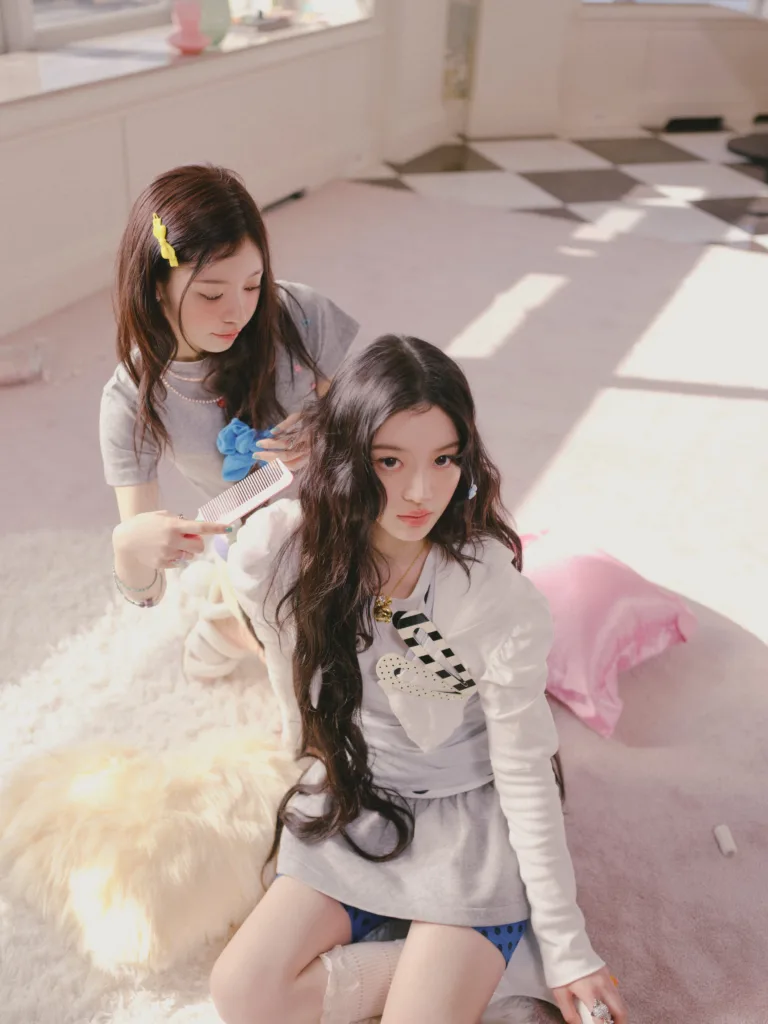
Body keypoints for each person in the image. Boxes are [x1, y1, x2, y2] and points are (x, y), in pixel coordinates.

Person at [212, 336, 629, 1024]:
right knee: (243, 993)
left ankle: (489, 954)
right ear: (349, 458)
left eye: (443, 459)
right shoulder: (298, 555)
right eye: (390, 461)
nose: (420, 492)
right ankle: (465, 966)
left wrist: (566, 946)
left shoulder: (494, 594)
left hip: (467, 824)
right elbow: (269, 625)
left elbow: (525, 770)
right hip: (360, 801)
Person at [99, 164, 359, 675]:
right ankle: (226, 627)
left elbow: (371, 427)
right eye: (212, 294)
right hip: (259, 551)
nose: (238, 312)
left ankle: (233, 618)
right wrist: (128, 544)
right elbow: (146, 593)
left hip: (339, 516)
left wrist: (328, 429)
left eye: (253, 285)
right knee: (322, 661)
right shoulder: (131, 399)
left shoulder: (297, 314)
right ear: (156, 286)